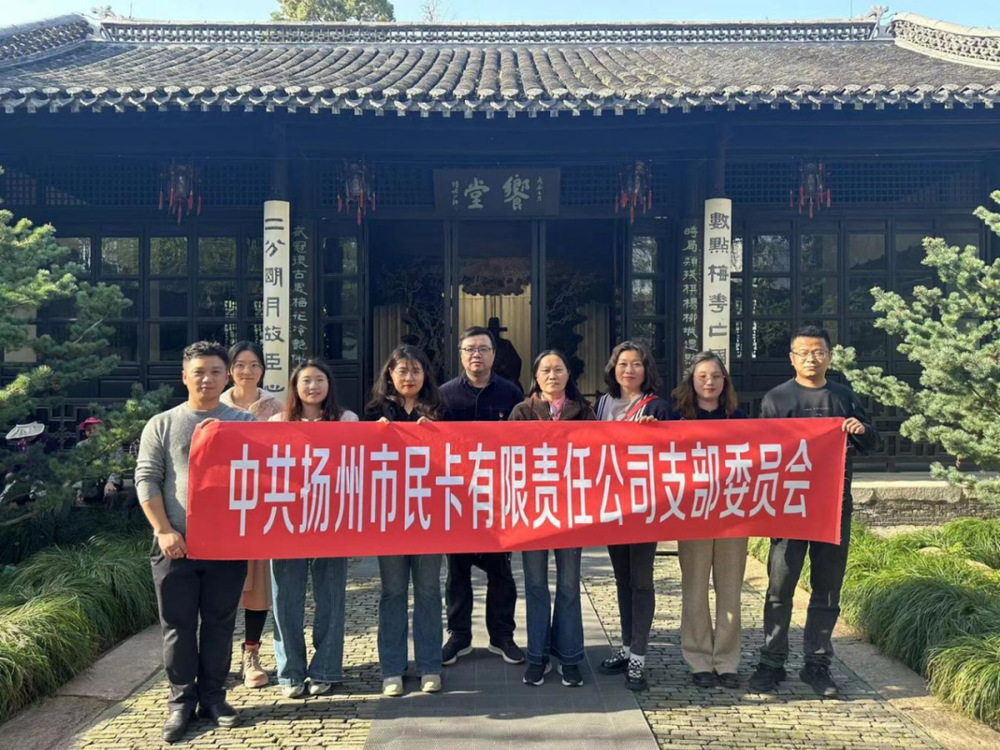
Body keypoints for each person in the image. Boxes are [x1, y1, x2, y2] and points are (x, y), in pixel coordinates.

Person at [134, 341, 255, 744]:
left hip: (227, 546)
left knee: (221, 624)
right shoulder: (163, 424)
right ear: (184, 376)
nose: (207, 379)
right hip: (175, 546)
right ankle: (181, 702)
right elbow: (147, 479)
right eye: (199, 372)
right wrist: (163, 529)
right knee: (177, 626)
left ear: (227, 377)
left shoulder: (244, 422)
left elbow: (272, 468)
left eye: (216, 372)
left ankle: (214, 698)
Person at [749, 326, 878, 699]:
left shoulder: (843, 397)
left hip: (833, 508)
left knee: (827, 589)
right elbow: (761, 452)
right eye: (803, 352)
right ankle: (771, 661)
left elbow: (871, 441)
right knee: (779, 589)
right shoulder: (776, 399)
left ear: (830, 356)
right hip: (789, 508)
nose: (811, 358)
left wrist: (861, 429)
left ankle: (817, 664)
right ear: (792, 358)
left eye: (818, 352)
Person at [268, 360, 358, 699]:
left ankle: (325, 670)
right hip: (286, 523)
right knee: (285, 599)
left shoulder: (347, 420)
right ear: (295, 386)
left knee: (331, 598)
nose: (313, 386)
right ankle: (290, 672)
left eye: (320, 379)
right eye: (306, 380)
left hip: (331, 521)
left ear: (329, 385)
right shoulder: (277, 423)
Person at [438, 325, 526, 666]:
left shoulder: (510, 392)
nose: (477, 355)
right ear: (461, 354)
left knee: (500, 571)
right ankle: (458, 635)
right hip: (457, 497)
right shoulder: (444, 395)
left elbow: (523, 442)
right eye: (470, 349)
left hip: (498, 498)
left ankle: (501, 636)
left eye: (483, 349)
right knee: (457, 571)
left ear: (494, 354)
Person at [509, 350, 595, 688]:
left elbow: (599, 456)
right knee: (535, 585)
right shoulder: (522, 411)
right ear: (536, 375)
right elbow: (508, 458)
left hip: (572, 511)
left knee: (570, 586)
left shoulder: (584, 411)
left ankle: (570, 657)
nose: (552, 375)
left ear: (568, 374)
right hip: (533, 511)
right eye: (545, 370)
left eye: (559, 369)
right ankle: (537, 655)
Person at [365, 344, 445, 697]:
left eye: (415, 370)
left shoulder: (440, 409)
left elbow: (459, 455)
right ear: (390, 374)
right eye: (402, 370)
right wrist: (373, 434)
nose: (409, 377)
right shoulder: (374, 411)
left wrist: (438, 433)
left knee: (428, 591)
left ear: (425, 375)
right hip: (391, 517)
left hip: (430, 515)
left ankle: (430, 666)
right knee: (393, 592)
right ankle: (392, 668)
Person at [668, 352, 749, 690]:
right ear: (692, 380)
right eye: (702, 376)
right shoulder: (677, 417)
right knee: (695, 588)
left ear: (724, 380)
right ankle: (699, 658)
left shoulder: (739, 418)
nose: (709, 382)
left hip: (732, 514)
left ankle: (727, 660)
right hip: (693, 514)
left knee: (730, 590)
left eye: (715, 376)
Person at [594, 341, 671, 691]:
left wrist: (657, 433)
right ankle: (626, 648)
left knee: (641, 581)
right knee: (622, 579)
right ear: (613, 368)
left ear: (646, 369)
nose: (629, 370)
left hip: (644, 506)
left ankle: (639, 656)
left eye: (637, 363)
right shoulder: (602, 404)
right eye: (623, 363)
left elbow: (675, 454)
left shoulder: (658, 406)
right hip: (612, 505)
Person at [219, 341, 282, 690]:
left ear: (263, 370)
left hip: (260, 507)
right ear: (230, 370)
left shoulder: (276, 408)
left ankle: (252, 653)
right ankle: (218, 658)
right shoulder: (216, 406)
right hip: (223, 509)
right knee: (223, 585)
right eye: (240, 365)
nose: (247, 371)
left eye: (254, 364)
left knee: (257, 584)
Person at [488, 316, 524, 392]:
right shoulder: (484, 345)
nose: (494, 333)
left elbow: (516, 362)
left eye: (496, 331)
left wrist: (503, 369)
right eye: (492, 331)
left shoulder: (506, 344)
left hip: (505, 377)